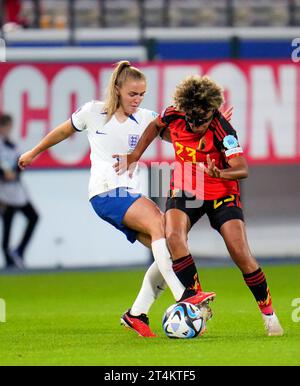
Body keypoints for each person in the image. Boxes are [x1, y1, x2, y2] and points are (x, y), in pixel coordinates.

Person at [18, 61, 219, 338]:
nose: (137, 100)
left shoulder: (148, 117)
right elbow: (63, 131)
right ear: (117, 89)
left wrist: (212, 127)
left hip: (129, 194)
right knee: (161, 227)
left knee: (172, 250)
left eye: (142, 95)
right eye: (132, 94)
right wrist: (34, 151)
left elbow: (181, 138)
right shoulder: (93, 111)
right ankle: (184, 294)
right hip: (104, 192)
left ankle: (136, 313)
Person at [113, 74, 284, 337]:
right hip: (185, 188)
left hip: (221, 191)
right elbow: (154, 126)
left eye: (201, 120)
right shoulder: (174, 114)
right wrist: (135, 156)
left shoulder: (222, 129)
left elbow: (242, 169)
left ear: (212, 112)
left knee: (241, 253)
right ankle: (196, 300)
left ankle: (269, 314)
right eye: (191, 119)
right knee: (173, 236)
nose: (195, 125)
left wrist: (221, 174)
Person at [0, 114, 39, 269]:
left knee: (33, 217)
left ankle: (19, 250)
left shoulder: (11, 145)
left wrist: (15, 171)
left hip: (17, 190)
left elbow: (20, 163)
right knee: (7, 225)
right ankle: (9, 261)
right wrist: (3, 174)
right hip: (3, 192)